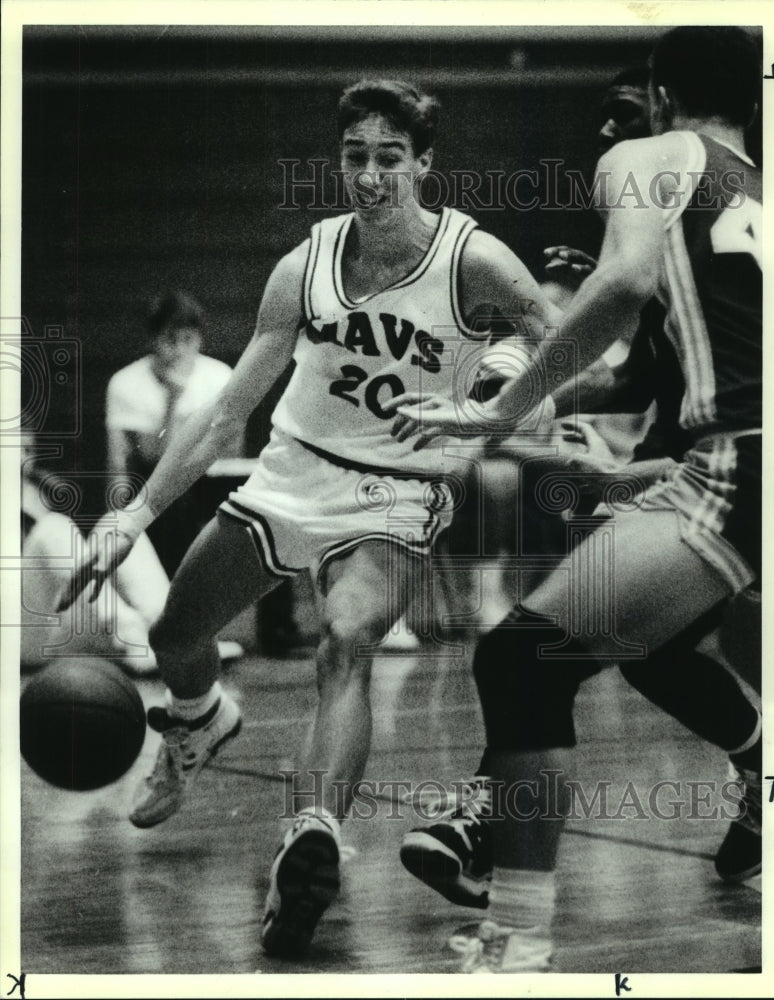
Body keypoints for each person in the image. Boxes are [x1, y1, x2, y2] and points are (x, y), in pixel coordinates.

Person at [61, 78, 562, 959]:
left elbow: (552, 331)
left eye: (389, 158)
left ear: (423, 165)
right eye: (355, 156)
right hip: (291, 473)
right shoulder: (306, 263)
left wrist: (505, 387)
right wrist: (132, 514)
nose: (369, 175)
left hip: (396, 490)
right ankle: (199, 719)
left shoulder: (472, 259)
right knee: (177, 634)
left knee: (346, 640)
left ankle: (314, 831)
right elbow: (223, 416)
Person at [393, 26, 762, 971]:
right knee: (636, 649)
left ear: (664, 94)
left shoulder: (645, 157)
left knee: (522, 665)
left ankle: (515, 942)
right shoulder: (763, 188)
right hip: (733, 464)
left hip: (740, 466)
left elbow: (621, 282)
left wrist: (498, 413)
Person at [106, 290, 237, 578]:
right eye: (170, 340)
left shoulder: (220, 376)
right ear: (152, 340)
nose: (179, 350)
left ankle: (279, 622)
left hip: (210, 481)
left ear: (200, 340)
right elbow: (145, 457)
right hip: (154, 485)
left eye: (188, 340)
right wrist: (172, 400)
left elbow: (232, 452)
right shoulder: (126, 383)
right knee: (175, 499)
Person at [21, 437, 169, 675]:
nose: (19, 453)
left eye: (25, 447)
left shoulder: (44, 490)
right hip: (18, 633)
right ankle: (126, 628)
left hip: (61, 627)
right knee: (53, 527)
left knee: (117, 526)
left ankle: (174, 636)